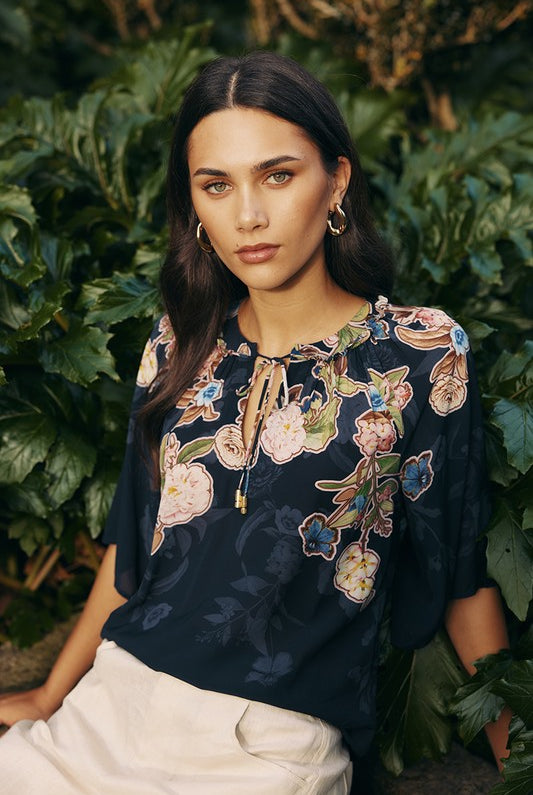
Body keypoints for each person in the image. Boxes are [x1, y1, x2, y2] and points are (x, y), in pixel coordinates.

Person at [0, 51, 511, 794]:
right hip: (113, 706)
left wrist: (514, 753)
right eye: (216, 185)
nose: (247, 215)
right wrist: (50, 696)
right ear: (195, 208)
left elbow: (458, 574)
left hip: (270, 746)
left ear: (334, 181)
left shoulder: (419, 355)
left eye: (277, 175)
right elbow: (135, 545)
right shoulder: (179, 343)